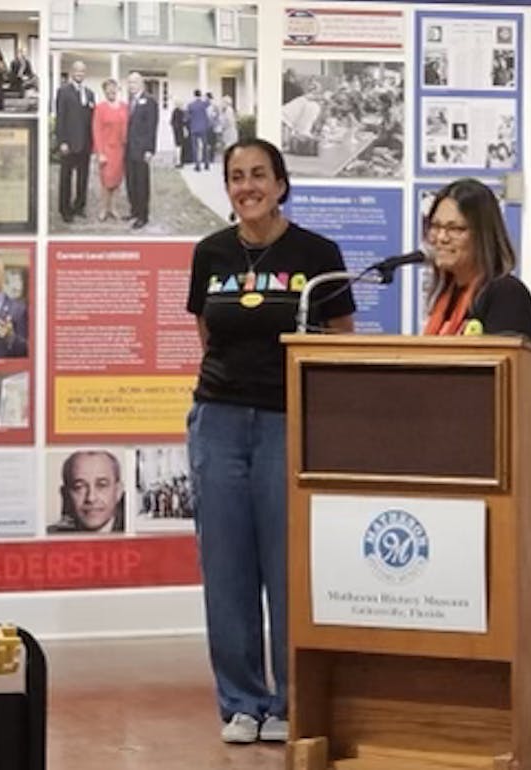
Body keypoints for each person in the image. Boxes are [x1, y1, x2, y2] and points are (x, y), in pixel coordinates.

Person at [185, 138, 355, 744]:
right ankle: (240, 702)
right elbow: (209, 336)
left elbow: (340, 339)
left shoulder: (318, 252)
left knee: (289, 569)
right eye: (236, 176)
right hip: (220, 422)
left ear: (282, 184)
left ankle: (289, 700)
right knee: (226, 569)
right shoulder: (210, 253)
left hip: (288, 422)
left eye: (259, 175)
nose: (247, 186)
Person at [422, 178, 531, 341]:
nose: (441, 237)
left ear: (483, 235)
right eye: (435, 226)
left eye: (455, 228)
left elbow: (503, 363)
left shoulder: (506, 294)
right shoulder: (447, 296)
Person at [55, 60, 95, 223]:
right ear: (72, 72)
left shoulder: (90, 93)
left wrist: (93, 143)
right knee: (66, 177)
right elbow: (60, 118)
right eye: (77, 71)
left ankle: (79, 206)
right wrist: (62, 141)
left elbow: (92, 120)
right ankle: (65, 210)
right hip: (69, 143)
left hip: (85, 143)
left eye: (83, 71)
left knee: (83, 177)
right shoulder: (63, 91)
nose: (80, 74)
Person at [47, 450, 125, 533]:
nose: (91, 498)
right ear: (65, 495)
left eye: (101, 485)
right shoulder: (50, 536)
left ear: (118, 491)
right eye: (79, 487)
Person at [124, 72, 158, 230]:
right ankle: (134, 211)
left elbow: (152, 127)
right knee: (131, 182)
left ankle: (143, 216)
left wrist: (150, 150)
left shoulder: (150, 101)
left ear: (142, 84)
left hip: (142, 150)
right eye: (130, 82)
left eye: (135, 82)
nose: (132, 85)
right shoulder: (130, 101)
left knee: (142, 183)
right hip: (128, 149)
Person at [92, 78, 128, 222]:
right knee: (106, 182)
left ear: (117, 90)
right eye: (108, 89)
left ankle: (114, 208)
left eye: (114, 88)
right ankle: (104, 209)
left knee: (117, 181)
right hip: (106, 150)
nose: (111, 91)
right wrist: (100, 153)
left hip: (120, 150)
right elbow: (97, 131)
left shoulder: (125, 107)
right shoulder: (100, 108)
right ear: (105, 91)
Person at [187, 89, 210, 171]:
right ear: (200, 95)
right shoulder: (203, 104)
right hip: (203, 127)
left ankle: (197, 165)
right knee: (204, 146)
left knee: (195, 147)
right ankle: (206, 163)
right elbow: (209, 102)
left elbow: (188, 117)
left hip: (194, 128)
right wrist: (205, 97)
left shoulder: (190, 105)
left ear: (194, 95)